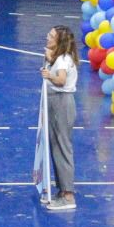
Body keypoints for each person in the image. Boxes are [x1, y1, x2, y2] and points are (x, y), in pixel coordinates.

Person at [36, 26, 78, 212]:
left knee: (62, 147)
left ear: (58, 41)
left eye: (51, 35)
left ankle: (68, 195)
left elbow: (60, 80)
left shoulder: (62, 59)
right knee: (56, 146)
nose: (47, 36)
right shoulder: (60, 58)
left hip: (61, 102)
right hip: (57, 103)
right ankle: (62, 190)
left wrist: (49, 75)